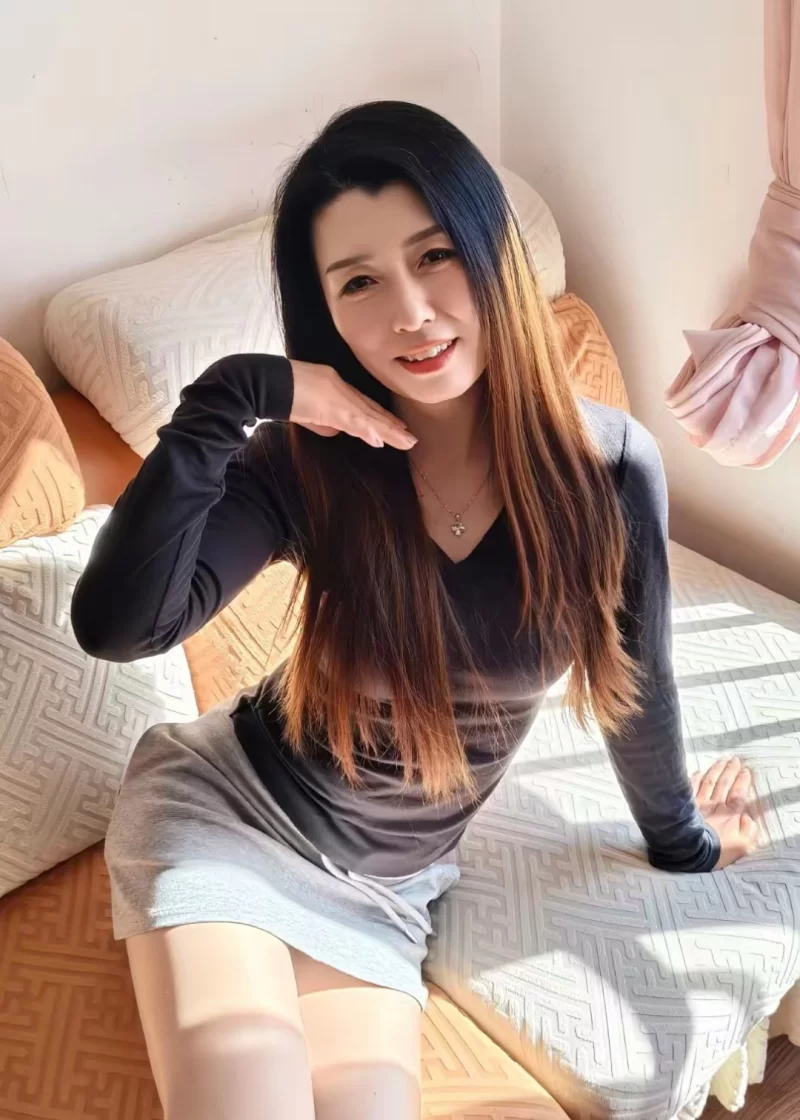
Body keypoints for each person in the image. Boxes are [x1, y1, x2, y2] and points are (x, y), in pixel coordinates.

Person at [71, 100, 760, 1120]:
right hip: (228, 818)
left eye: (434, 256)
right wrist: (234, 395)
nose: (410, 313)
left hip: (387, 889)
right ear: (324, 311)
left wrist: (685, 842)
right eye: (358, 282)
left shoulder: (608, 469)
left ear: (490, 253)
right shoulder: (303, 464)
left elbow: (635, 684)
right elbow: (119, 625)